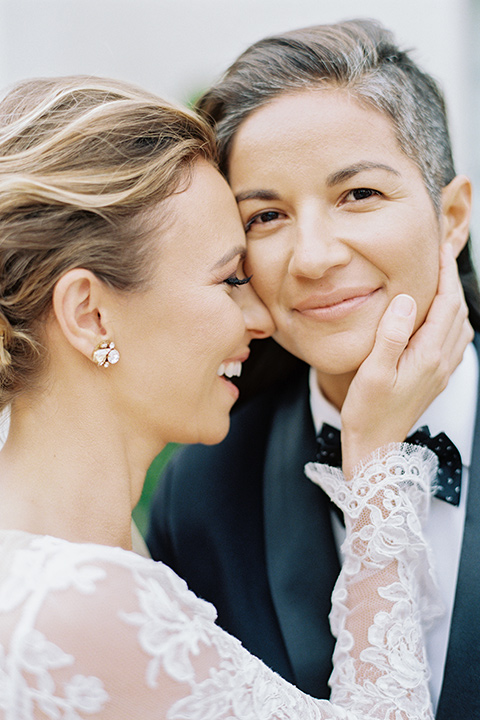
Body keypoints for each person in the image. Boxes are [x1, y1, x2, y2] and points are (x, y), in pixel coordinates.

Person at [0, 75, 471, 719]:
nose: (263, 311)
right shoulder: (180, 515)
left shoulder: (112, 550)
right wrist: (376, 465)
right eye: (231, 276)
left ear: (453, 218)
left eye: (359, 194)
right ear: (91, 315)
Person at [146, 19, 480, 719]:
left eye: (358, 195)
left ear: (452, 216)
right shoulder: (204, 489)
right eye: (266, 216)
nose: (315, 256)